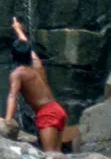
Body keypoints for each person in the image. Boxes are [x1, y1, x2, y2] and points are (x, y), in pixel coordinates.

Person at [5, 16, 68, 151]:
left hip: (47, 114)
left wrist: (7, 120)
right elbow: (27, 46)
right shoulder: (36, 64)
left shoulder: (17, 73)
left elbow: (12, 95)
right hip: (57, 109)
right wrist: (18, 29)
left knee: (49, 156)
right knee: (58, 157)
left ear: (13, 56)